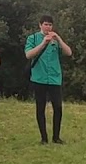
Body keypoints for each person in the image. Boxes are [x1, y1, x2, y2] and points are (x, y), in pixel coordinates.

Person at [24, 15, 73, 145]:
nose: (48, 27)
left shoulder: (56, 40)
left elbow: (68, 53)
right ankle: (44, 138)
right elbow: (28, 54)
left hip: (55, 78)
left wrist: (59, 39)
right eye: (46, 24)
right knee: (40, 108)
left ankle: (56, 137)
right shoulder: (33, 38)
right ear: (40, 25)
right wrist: (43, 43)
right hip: (39, 78)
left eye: (50, 25)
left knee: (58, 107)